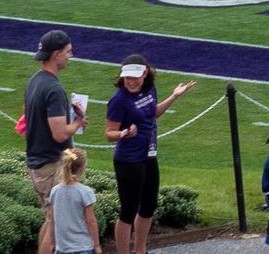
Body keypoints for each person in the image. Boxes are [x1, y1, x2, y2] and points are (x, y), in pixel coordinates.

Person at [103, 56, 197, 254]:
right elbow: (109, 133)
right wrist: (123, 133)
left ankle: (141, 250)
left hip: (149, 154)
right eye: (127, 77)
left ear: (145, 73)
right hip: (129, 160)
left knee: (148, 206)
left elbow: (152, 112)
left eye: (135, 77)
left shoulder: (149, 89)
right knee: (128, 211)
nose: (130, 81)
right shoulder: (119, 100)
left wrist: (174, 96)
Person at [25, 31, 88, 202]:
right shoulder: (54, 89)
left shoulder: (34, 80)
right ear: (56, 54)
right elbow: (59, 135)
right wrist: (78, 122)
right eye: (68, 51)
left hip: (38, 163)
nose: (70, 56)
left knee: (50, 214)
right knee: (57, 215)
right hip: (52, 165)